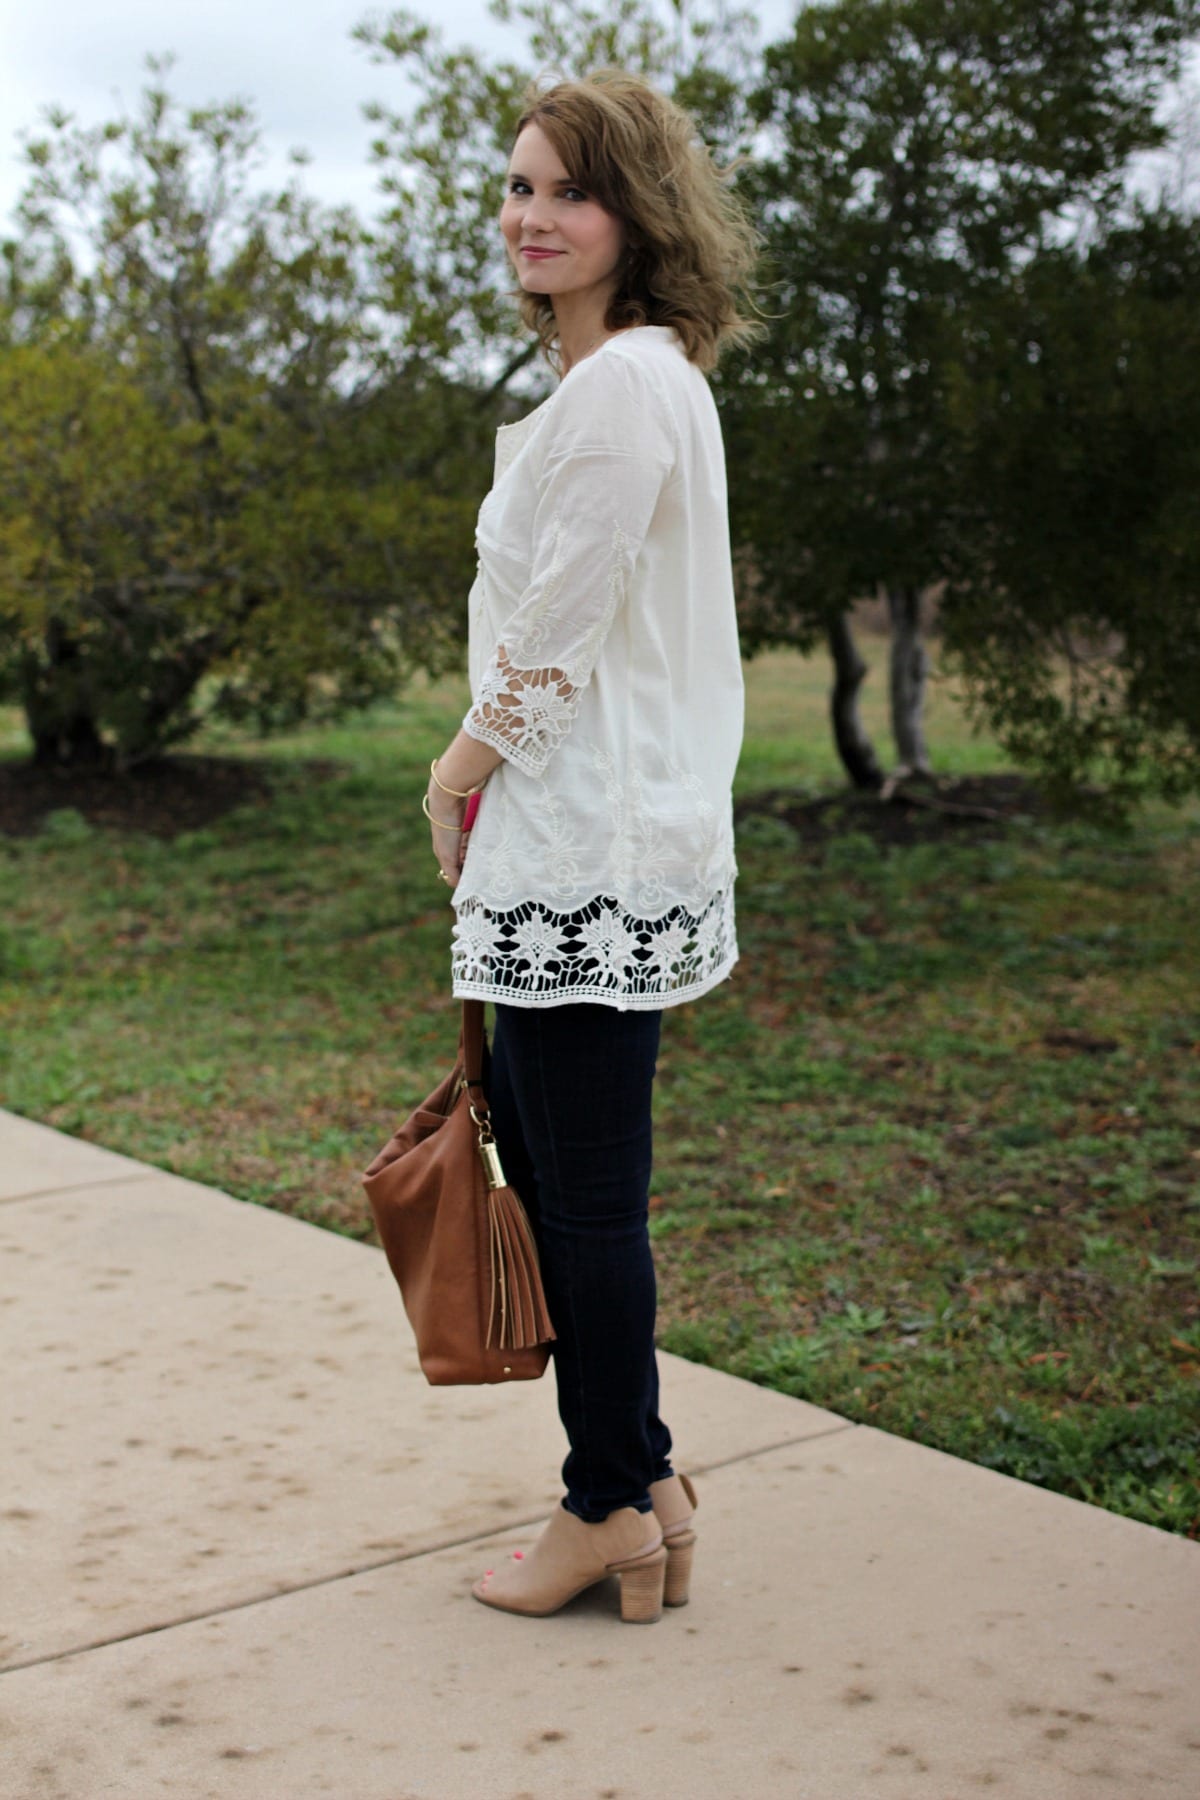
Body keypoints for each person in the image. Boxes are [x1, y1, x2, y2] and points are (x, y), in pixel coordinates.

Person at [423, 68, 758, 1624]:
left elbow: (556, 633)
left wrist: (455, 772)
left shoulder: (626, 384)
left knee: (585, 1200)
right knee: (572, 1181)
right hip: (588, 837)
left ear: (635, 213)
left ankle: (605, 1504)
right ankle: (649, 1480)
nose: (531, 218)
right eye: (516, 188)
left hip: (583, 846)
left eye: (569, 190)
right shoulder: (626, 383)